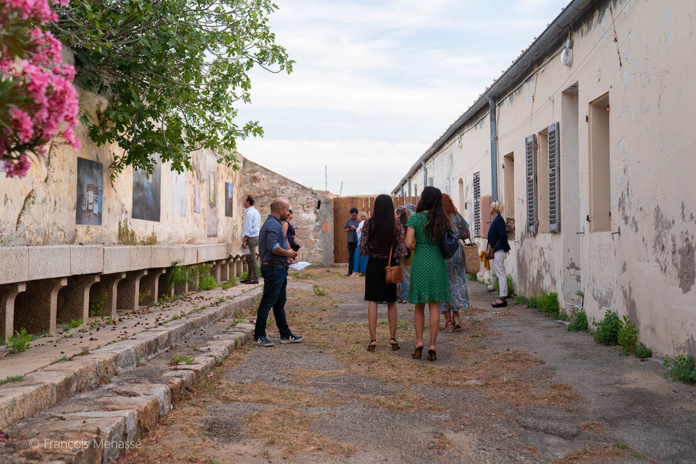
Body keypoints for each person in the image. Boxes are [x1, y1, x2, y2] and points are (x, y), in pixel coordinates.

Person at [405, 187, 451, 362]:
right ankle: (432, 345)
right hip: (437, 261)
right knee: (434, 306)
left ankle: (419, 342)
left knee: (419, 305)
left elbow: (408, 243)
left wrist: (420, 247)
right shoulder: (443, 219)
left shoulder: (415, 218)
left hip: (420, 262)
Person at [253, 198, 304, 347]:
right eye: (287, 210)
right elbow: (273, 246)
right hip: (274, 269)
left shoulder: (275, 224)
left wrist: (286, 259)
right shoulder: (273, 225)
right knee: (267, 302)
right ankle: (259, 336)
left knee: (279, 303)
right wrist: (288, 254)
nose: (289, 213)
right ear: (281, 210)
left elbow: (276, 248)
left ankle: (285, 334)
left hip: (279, 267)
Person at [360, 195, 407, 352]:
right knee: (391, 301)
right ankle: (393, 338)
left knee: (373, 301)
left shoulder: (369, 224)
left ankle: (373, 339)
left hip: (374, 264)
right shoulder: (396, 224)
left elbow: (363, 248)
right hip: (390, 265)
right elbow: (401, 248)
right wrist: (399, 264)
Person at [439, 193, 470, 332]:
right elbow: (467, 233)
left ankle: (448, 321)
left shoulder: (438, 218)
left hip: (442, 253)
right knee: (457, 282)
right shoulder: (456, 216)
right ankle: (456, 314)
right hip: (456, 252)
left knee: (443, 285)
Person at [487, 201, 511, 307]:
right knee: (499, 272)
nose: (489, 209)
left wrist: (505, 247)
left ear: (494, 209)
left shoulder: (499, 220)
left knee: (500, 273)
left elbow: (503, 235)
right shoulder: (496, 220)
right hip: (498, 250)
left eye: (491, 207)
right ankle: (502, 295)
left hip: (500, 250)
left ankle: (502, 297)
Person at [398, 203, 417, 304]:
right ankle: (405, 293)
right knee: (406, 273)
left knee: (407, 274)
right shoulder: (411, 220)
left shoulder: (411, 221)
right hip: (409, 251)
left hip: (409, 251)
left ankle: (406, 294)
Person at [241, 195, 261, 284]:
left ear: (248, 202)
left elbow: (248, 228)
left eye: (244, 200)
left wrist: (244, 240)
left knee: (251, 258)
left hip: (250, 238)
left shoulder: (249, 213)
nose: (243, 202)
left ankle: (255, 278)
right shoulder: (255, 212)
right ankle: (249, 278)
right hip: (255, 236)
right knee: (249, 258)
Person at [353, 211, 369, 276]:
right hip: (361, 241)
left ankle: (358, 271)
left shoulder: (362, 223)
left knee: (358, 256)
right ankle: (361, 271)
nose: (357, 217)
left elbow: (363, 230)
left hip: (361, 242)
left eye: (359, 216)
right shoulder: (362, 223)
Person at [344, 207, 359, 276]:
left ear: (357, 214)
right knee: (351, 257)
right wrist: (350, 228)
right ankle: (350, 271)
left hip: (358, 240)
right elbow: (345, 229)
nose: (353, 217)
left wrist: (356, 228)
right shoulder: (349, 220)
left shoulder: (360, 221)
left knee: (358, 256)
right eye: (352, 215)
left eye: (354, 215)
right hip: (350, 240)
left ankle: (358, 271)